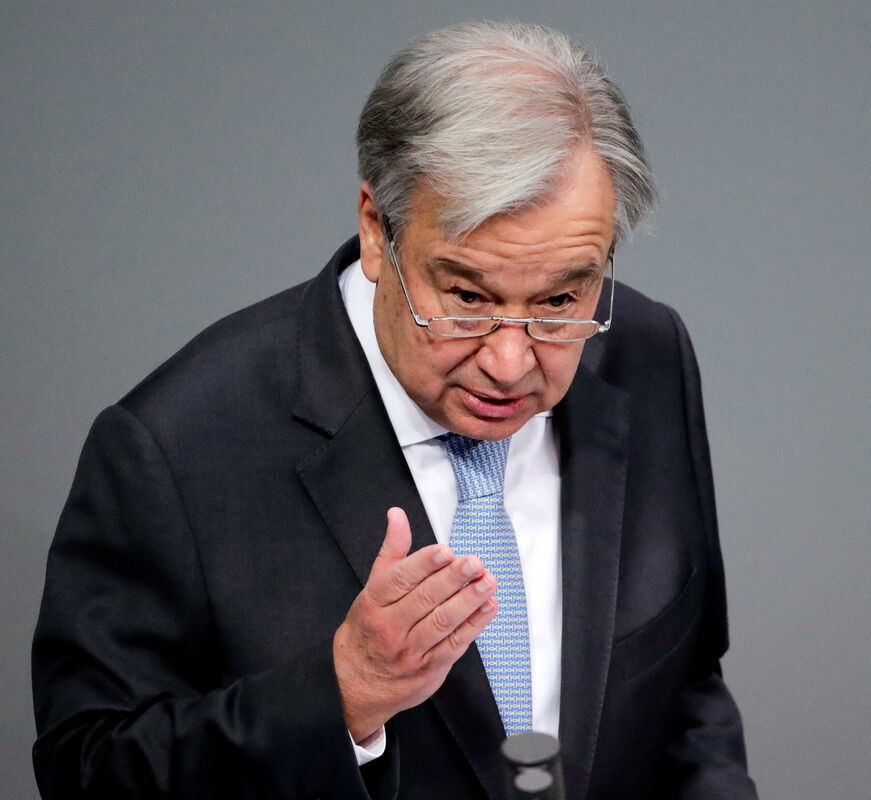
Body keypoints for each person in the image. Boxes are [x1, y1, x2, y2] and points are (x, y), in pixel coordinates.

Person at [32, 21, 756, 799]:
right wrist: (342, 694)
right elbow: (91, 769)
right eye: (468, 296)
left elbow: (686, 687)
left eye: (559, 301)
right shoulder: (177, 444)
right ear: (378, 231)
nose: (511, 363)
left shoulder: (646, 353)